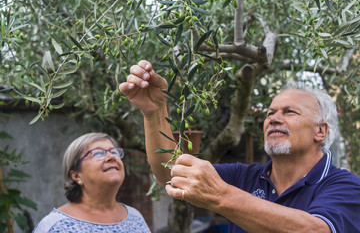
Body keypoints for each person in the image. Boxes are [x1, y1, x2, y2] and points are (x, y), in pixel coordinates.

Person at [119, 60, 360, 233]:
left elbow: (314, 229)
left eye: (290, 112)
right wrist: (154, 112)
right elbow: (171, 174)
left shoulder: (345, 186)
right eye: (270, 113)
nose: (273, 118)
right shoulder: (244, 177)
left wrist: (219, 195)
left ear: (321, 131)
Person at [33, 132, 151, 233]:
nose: (111, 157)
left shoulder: (135, 217)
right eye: (98, 153)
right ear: (76, 175)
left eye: (114, 152)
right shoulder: (56, 226)